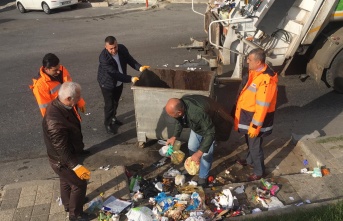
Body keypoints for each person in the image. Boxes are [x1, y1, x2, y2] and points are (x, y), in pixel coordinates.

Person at [42, 82, 91, 221]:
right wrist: (75, 166)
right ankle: (75, 215)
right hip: (61, 159)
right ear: (69, 98)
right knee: (79, 184)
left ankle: (68, 204)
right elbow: (62, 149)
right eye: (78, 97)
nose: (80, 98)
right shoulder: (55, 123)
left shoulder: (59, 104)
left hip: (59, 158)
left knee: (65, 180)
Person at [165, 95, 233, 187]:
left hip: (212, 126)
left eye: (172, 115)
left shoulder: (196, 113)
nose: (172, 117)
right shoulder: (181, 105)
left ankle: (203, 176)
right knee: (192, 146)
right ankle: (192, 166)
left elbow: (210, 133)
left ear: (180, 112)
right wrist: (174, 136)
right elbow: (179, 120)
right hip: (199, 125)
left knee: (206, 154)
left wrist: (199, 153)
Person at [233, 48, 278, 181]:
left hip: (256, 119)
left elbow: (262, 106)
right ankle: (249, 160)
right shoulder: (256, 72)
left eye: (250, 59)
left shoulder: (265, 80)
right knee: (250, 141)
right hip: (249, 115)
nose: (247, 61)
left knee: (255, 145)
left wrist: (255, 126)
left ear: (258, 62)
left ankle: (259, 172)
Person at [97, 36, 149, 134]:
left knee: (116, 102)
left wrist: (140, 68)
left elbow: (130, 60)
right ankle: (107, 123)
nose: (114, 50)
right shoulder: (104, 58)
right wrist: (130, 78)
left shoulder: (122, 49)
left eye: (115, 47)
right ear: (106, 47)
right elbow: (114, 74)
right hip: (107, 83)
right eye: (111, 48)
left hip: (119, 82)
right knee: (109, 105)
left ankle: (113, 117)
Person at [30, 53, 86, 117]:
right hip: (61, 117)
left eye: (58, 68)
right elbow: (46, 110)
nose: (59, 71)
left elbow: (71, 89)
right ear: (46, 69)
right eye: (55, 70)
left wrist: (80, 101)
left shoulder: (62, 69)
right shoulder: (40, 86)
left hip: (71, 110)